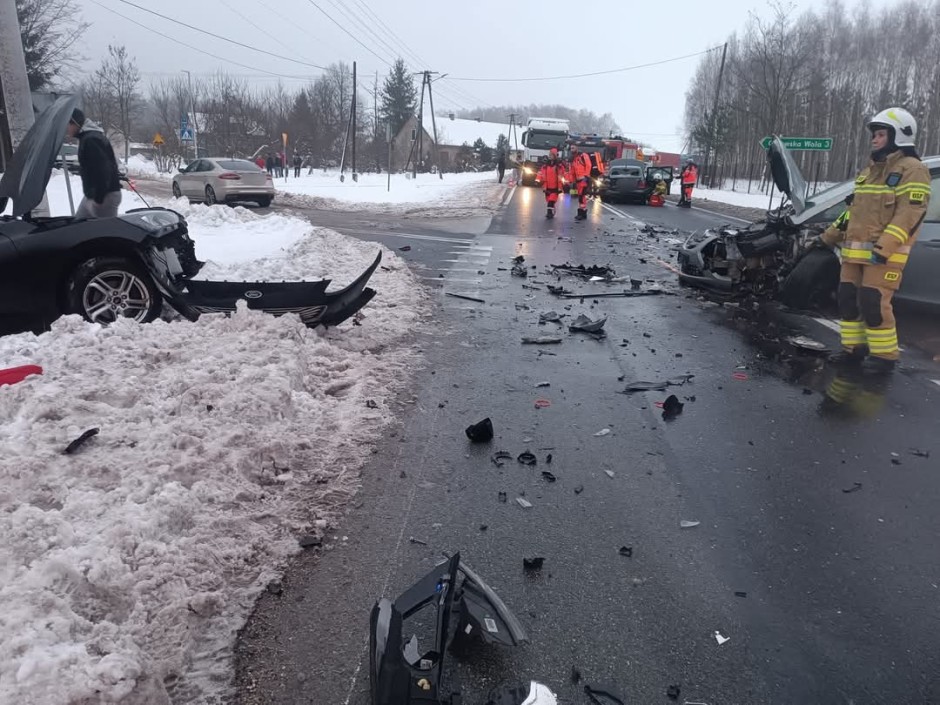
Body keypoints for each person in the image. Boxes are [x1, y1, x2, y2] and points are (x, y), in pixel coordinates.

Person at [818, 107, 930, 373]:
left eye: (881, 134)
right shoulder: (869, 172)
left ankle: (884, 357)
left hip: (884, 255)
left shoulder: (913, 170)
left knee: (873, 302)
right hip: (853, 254)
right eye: (875, 134)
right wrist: (827, 237)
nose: (875, 139)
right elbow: (852, 212)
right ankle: (853, 349)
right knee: (846, 299)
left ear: (898, 136)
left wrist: (884, 248)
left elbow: (910, 214)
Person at [65, 108, 122, 219]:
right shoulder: (88, 138)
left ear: (75, 123)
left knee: (103, 233)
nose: (66, 129)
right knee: (79, 227)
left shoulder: (91, 140)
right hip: (94, 195)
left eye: (68, 125)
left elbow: (103, 169)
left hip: (105, 195)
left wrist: (99, 198)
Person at [536, 148, 566, 219]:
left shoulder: (559, 166)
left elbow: (562, 175)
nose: (550, 156)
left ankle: (549, 213)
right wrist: (537, 181)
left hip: (555, 187)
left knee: (551, 201)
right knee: (548, 200)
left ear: (555, 156)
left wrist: (563, 184)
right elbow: (540, 173)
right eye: (549, 154)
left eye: (551, 155)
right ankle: (551, 211)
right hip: (547, 187)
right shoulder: (545, 166)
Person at [568, 144, 594, 220]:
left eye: (573, 148)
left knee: (581, 196)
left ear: (577, 148)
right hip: (578, 181)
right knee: (580, 196)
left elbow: (588, 165)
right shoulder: (574, 159)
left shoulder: (583, 156)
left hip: (583, 180)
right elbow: (572, 171)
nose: (571, 149)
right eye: (571, 148)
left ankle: (581, 213)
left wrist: (586, 176)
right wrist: (571, 181)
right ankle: (583, 212)